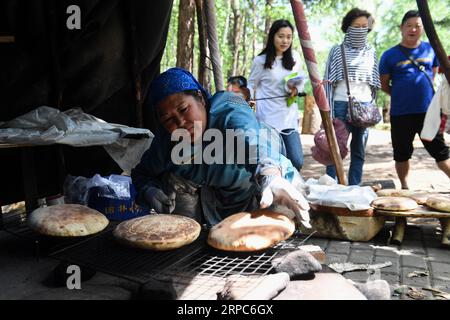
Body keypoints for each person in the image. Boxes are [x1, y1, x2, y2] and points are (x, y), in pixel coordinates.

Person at [131, 67, 310, 228]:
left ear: (200, 98)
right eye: (168, 119)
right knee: (171, 178)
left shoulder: (230, 107)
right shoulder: (167, 143)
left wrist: (270, 176)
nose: (180, 122)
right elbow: (142, 173)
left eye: (184, 109)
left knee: (284, 220)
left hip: (263, 187)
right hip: (217, 200)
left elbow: (251, 141)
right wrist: (149, 190)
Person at [379, 10, 450, 189]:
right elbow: (384, 84)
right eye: (409, 25)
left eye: (418, 26)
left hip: (429, 112)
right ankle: (404, 187)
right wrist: (401, 95)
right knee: (401, 154)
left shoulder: (430, 49)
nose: (413, 29)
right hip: (400, 113)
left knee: (440, 152)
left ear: (423, 29)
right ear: (402, 28)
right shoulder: (389, 55)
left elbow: (433, 75)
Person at [323, 8, 381, 185]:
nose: (361, 30)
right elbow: (328, 82)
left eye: (365, 26)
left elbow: (375, 84)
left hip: (365, 107)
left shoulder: (371, 51)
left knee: (359, 151)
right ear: (348, 27)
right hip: (340, 105)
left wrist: (373, 105)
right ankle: (331, 186)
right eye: (357, 26)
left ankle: (354, 187)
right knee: (335, 150)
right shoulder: (337, 50)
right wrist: (328, 112)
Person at [247, 19, 306, 172]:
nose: (285, 40)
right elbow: (251, 84)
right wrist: (248, 98)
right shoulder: (260, 61)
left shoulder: (295, 58)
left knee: (296, 161)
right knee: (276, 163)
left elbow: (300, 80)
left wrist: (295, 88)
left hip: (289, 118)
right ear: (273, 36)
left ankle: (290, 191)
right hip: (267, 119)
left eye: (288, 37)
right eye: (281, 36)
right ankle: (278, 194)